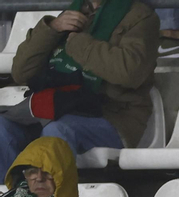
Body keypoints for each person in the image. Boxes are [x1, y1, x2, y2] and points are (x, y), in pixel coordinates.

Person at [0, 1, 158, 164]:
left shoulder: (140, 16)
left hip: (112, 116)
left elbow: (130, 73)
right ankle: (11, 189)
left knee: (57, 131)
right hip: (55, 107)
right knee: (2, 128)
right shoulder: (74, 9)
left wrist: (80, 45)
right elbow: (21, 73)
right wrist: (52, 28)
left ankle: (52, 190)